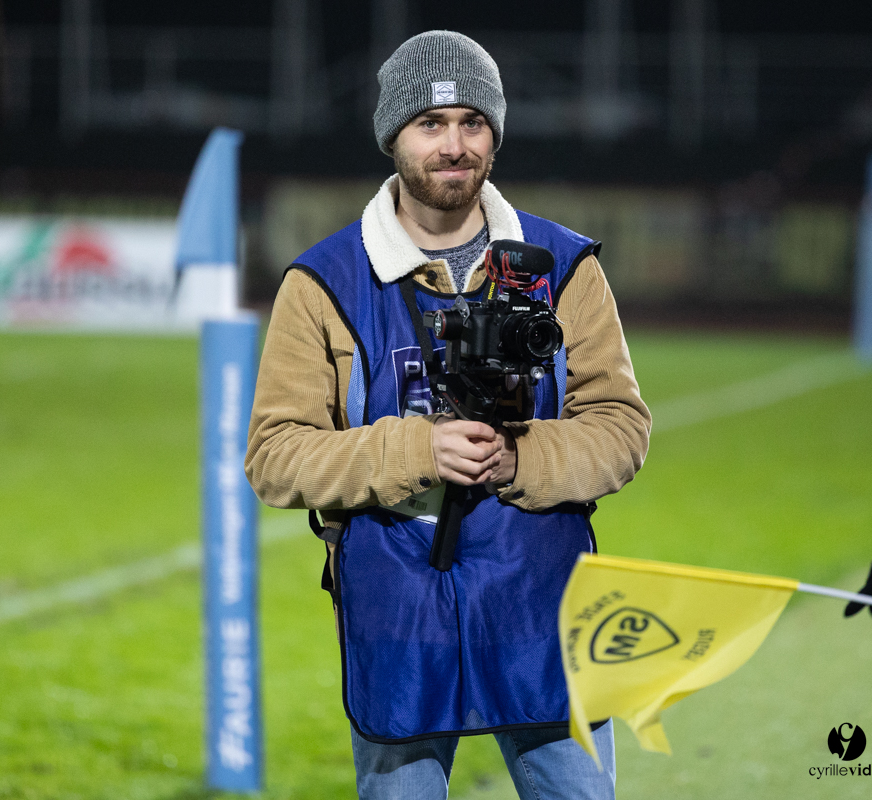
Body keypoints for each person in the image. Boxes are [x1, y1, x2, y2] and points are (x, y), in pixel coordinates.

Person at [245, 30, 650, 800]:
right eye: (430, 124)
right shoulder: (323, 283)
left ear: (495, 133)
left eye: (473, 122)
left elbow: (622, 428)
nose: (454, 145)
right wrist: (416, 451)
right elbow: (274, 455)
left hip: (543, 594)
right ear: (393, 135)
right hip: (397, 600)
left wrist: (519, 460)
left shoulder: (565, 267)